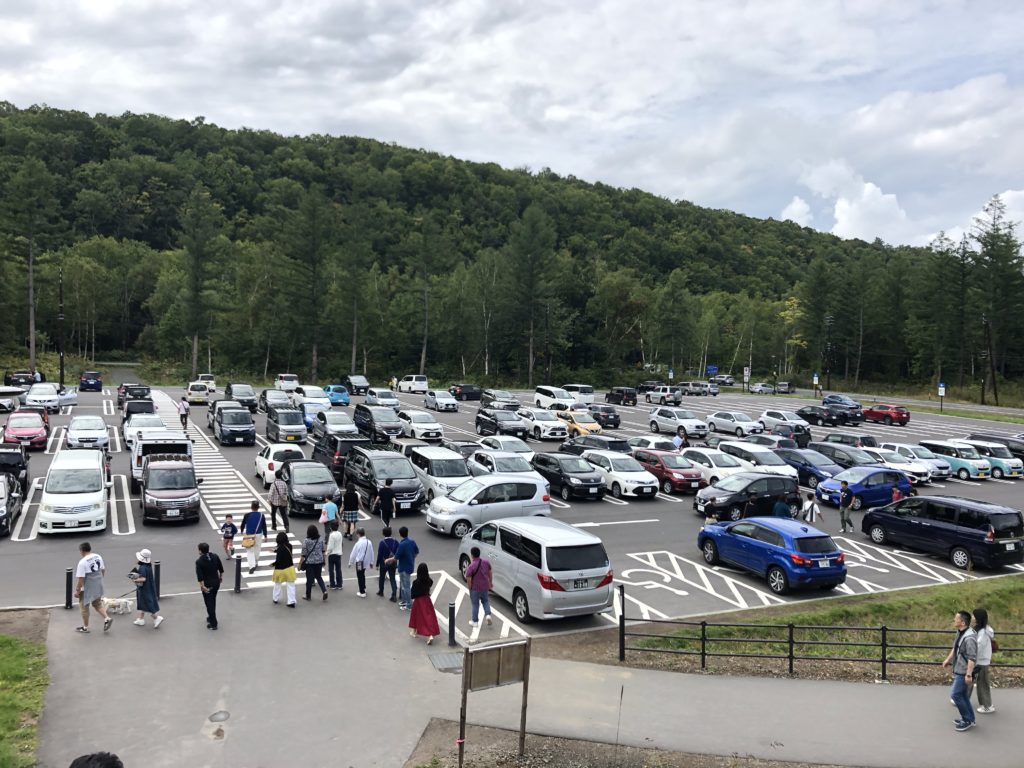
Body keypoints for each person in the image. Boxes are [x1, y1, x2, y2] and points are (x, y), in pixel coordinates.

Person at [941, 610, 977, 731]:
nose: (954, 620)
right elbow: (955, 648)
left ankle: (967, 720)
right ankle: (970, 718)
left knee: (955, 695)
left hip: (964, 671)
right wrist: (948, 659)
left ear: (962, 622)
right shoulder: (960, 632)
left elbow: (972, 657)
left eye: (956, 618)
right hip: (959, 668)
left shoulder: (969, 638)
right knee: (963, 695)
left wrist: (968, 674)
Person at [74, 542, 112, 634]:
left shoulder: (82, 562)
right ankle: (107, 618)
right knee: (97, 603)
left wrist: (78, 590)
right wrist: (99, 580)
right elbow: (103, 569)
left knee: (84, 607)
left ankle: (85, 627)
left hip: (87, 587)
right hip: (97, 584)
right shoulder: (98, 556)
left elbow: (81, 578)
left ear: (82, 551)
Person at [971, 608, 996, 713]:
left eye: (973, 615)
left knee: (983, 683)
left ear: (978, 617)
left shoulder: (983, 632)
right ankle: (984, 704)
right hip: (980, 660)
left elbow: (979, 647)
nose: (972, 617)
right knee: (978, 681)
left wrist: (972, 659)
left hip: (981, 661)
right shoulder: (979, 629)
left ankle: (987, 705)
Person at [408, 562, 440, 644]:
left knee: (415, 616)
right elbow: (429, 585)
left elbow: (412, 594)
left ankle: (418, 632)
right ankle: (428, 633)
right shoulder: (429, 581)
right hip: (427, 600)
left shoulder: (416, 582)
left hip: (418, 601)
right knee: (428, 618)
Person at [131, 549, 163, 628]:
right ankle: (140, 619)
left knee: (146, 602)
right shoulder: (148, 566)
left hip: (144, 589)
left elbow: (143, 579)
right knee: (144, 603)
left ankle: (156, 618)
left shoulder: (142, 567)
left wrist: (134, 579)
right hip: (149, 587)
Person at [195, 542, 224, 630]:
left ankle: (213, 623)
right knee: (213, 599)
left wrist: (203, 586)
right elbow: (221, 569)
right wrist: (220, 578)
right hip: (216, 582)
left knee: (209, 603)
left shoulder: (199, 561)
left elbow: (200, 576)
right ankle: (210, 617)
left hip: (207, 585)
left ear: (200, 551)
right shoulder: (215, 556)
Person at [464, 546, 493, 628]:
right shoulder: (486, 562)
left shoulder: (471, 566)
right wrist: (490, 582)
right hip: (485, 586)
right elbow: (490, 573)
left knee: (475, 604)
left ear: (472, 555)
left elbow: (469, 579)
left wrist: (470, 589)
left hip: (475, 588)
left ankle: (475, 621)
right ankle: (488, 615)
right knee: (485, 601)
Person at [299, 525, 328, 602]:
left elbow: (303, 554)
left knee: (309, 580)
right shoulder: (320, 540)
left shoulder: (306, 541)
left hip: (310, 563)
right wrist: (324, 560)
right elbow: (323, 551)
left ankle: (308, 595)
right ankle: (324, 591)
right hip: (319, 561)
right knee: (319, 577)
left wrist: (299, 564)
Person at [239, 501, 268, 574]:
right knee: (257, 548)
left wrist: (242, 530)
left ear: (251, 507)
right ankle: (256, 561)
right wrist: (265, 535)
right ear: (258, 507)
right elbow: (264, 525)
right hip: (258, 534)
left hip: (249, 535)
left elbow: (243, 523)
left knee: (249, 550)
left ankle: (251, 566)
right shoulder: (261, 515)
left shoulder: (247, 515)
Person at [395, 526, 419, 610]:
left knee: (406, 586)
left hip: (403, 567)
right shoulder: (412, 541)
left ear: (400, 534)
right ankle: (405, 601)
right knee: (404, 586)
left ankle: (408, 604)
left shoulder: (402, 544)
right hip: (409, 566)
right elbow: (416, 552)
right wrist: (412, 558)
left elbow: (397, 556)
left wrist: (388, 560)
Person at [271, 531, 297, 607]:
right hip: (289, 568)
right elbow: (285, 551)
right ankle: (291, 601)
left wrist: (272, 564)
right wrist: (275, 550)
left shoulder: (279, 549)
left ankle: (276, 598)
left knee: (277, 584)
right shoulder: (290, 546)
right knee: (291, 585)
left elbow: (278, 560)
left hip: (280, 569)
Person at [349, 527, 374, 597]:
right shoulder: (369, 542)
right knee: (362, 575)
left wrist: (350, 562)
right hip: (366, 562)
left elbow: (353, 554)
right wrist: (371, 562)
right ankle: (364, 588)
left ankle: (362, 592)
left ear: (358, 534)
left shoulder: (358, 543)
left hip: (359, 562)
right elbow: (372, 552)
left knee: (360, 576)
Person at [376, 526, 400, 601]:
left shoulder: (382, 543)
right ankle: (394, 594)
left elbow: (379, 555)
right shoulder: (395, 542)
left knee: (382, 577)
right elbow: (398, 552)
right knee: (392, 578)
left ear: (383, 533)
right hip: (393, 562)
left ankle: (381, 591)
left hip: (384, 563)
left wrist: (377, 564)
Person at [326, 521, 344, 590]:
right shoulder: (339, 534)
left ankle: (332, 584)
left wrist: (327, 552)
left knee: (331, 570)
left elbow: (330, 547)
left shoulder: (332, 535)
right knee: (338, 569)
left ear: (331, 528)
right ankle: (339, 584)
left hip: (332, 554)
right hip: (338, 554)